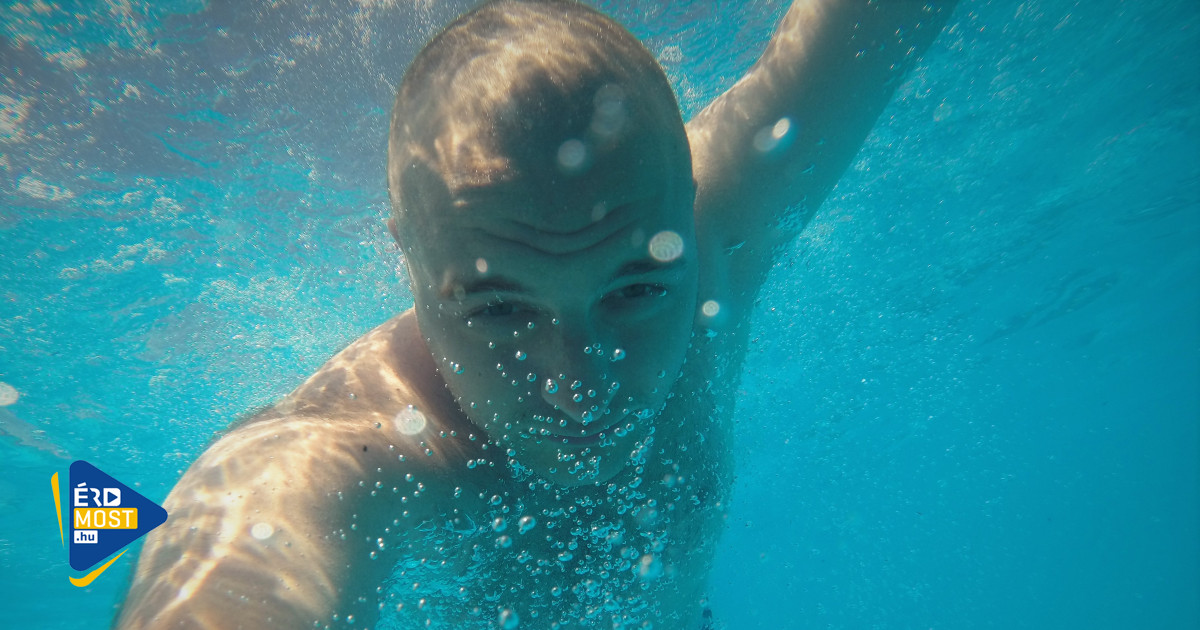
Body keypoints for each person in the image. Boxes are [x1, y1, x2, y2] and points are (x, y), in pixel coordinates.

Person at [116, 1, 956, 628]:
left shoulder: (717, 239)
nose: (579, 389)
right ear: (408, 256)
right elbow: (248, 549)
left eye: (636, 290)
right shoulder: (359, 446)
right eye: (499, 309)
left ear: (689, 203)